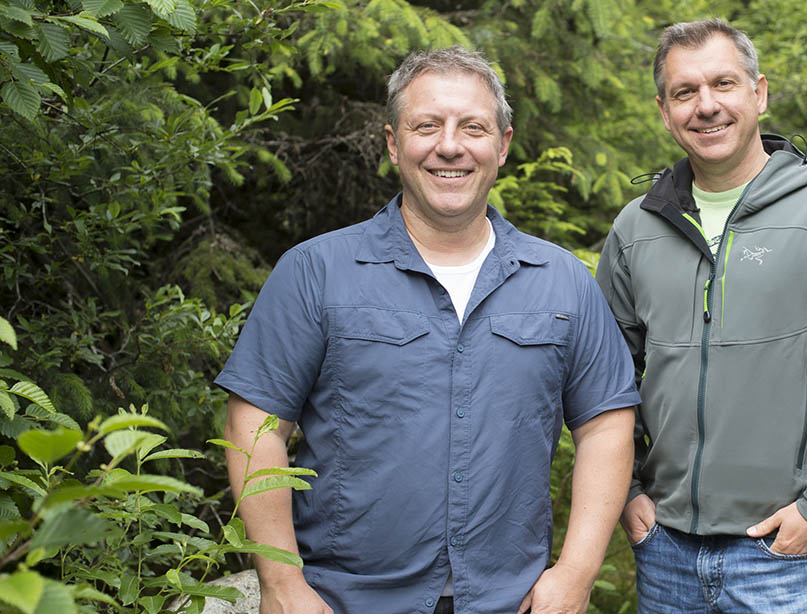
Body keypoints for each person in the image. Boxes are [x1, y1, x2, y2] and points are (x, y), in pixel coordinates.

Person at [218, 46, 639, 614]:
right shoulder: (316, 271)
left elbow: (606, 425)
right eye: (427, 126)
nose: (450, 146)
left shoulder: (563, 281)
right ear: (393, 143)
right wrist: (282, 582)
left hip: (511, 601)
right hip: (344, 601)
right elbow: (255, 426)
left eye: (472, 127)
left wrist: (577, 573)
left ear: (503, 145)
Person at [595, 19, 807, 613]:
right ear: (664, 111)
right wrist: (630, 490)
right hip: (664, 555)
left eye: (723, 84)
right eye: (684, 92)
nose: (706, 106)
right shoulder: (633, 230)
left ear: (759, 93)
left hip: (782, 559)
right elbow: (606, 381)